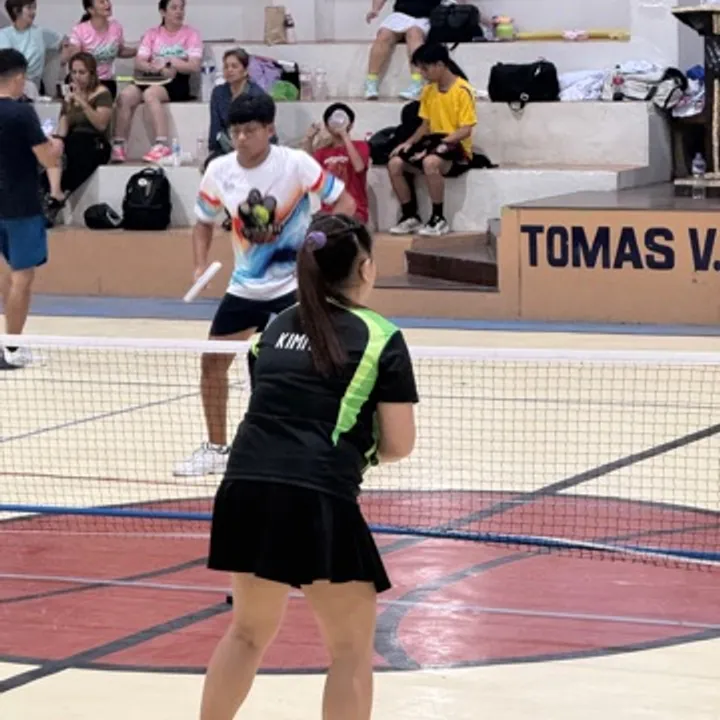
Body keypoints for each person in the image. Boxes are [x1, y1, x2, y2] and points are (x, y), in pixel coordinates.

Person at [200, 212, 418, 720]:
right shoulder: (381, 337)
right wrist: (359, 451)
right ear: (365, 268)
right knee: (351, 650)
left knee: (247, 632)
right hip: (317, 494)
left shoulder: (272, 328)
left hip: (245, 486)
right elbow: (399, 443)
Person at [173, 93, 356, 477]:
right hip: (245, 287)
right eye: (236, 131)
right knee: (212, 364)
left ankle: (306, 446)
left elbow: (345, 204)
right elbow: (204, 222)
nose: (241, 138)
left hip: (294, 288)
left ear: (269, 129)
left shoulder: (295, 164)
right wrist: (199, 264)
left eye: (250, 131)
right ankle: (216, 449)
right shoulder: (219, 170)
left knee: (297, 370)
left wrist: (318, 244)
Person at [0, 49, 63, 367]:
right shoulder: (22, 113)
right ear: (20, 77)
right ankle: (12, 349)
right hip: (20, 205)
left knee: (5, 274)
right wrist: (55, 146)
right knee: (22, 277)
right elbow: (47, 159)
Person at [387, 43, 476, 237]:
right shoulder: (428, 91)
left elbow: (466, 130)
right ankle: (410, 215)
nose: (422, 73)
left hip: (457, 147)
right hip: (432, 142)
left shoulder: (462, 90)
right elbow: (425, 125)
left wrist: (443, 143)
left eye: (425, 68)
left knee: (430, 162)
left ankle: (438, 218)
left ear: (440, 65)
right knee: (395, 163)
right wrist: (409, 143)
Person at [111, 0, 202, 164]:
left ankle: (161, 145)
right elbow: (139, 62)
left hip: (177, 80)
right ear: (162, 12)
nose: (179, 12)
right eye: (174, 8)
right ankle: (119, 144)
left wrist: (171, 62)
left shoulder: (191, 34)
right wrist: (155, 68)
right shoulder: (152, 34)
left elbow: (194, 65)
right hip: (152, 75)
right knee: (125, 96)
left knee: (150, 94)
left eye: (182, 8)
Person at [43, 52, 112, 227]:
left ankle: (56, 197)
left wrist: (82, 102)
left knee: (77, 150)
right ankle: (54, 194)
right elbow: (65, 125)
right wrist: (57, 139)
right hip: (74, 139)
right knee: (55, 149)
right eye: (74, 72)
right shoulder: (71, 94)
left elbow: (101, 124)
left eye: (82, 72)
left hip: (95, 141)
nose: (77, 76)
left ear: (91, 73)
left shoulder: (102, 93)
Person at [303, 102, 370, 224]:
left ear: (351, 124)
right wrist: (308, 139)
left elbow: (359, 167)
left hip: (355, 211)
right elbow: (309, 170)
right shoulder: (322, 152)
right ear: (327, 125)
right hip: (327, 211)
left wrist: (344, 134)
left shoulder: (360, 146)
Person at [364, 0, 441, 101]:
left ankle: (417, 83)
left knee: (414, 35)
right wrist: (375, 9)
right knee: (384, 35)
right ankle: (371, 81)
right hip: (401, 14)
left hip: (424, 17)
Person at [63, 0, 137, 100]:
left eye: (107, 0)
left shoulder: (116, 27)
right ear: (91, 9)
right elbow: (76, 60)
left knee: (102, 99)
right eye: (102, 2)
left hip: (107, 81)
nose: (107, 4)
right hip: (83, 81)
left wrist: (139, 50)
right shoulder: (80, 30)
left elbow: (120, 51)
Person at [207, 48, 270, 163]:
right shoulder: (218, 93)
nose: (229, 70)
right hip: (226, 147)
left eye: (234, 66)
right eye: (226, 67)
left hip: (253, 146)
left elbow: (261, 129)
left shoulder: (257, 94)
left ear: (245, 71)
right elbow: (215, 128)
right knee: (211, 163)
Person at [0, 0, 65, 95]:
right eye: (29, 8)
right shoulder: (3, 35)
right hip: (9, 87)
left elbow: (65, 42)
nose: (33, 12)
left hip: (33, 88)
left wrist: (63, 60)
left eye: (34, 8)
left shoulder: (40, 33)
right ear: (16, 10)